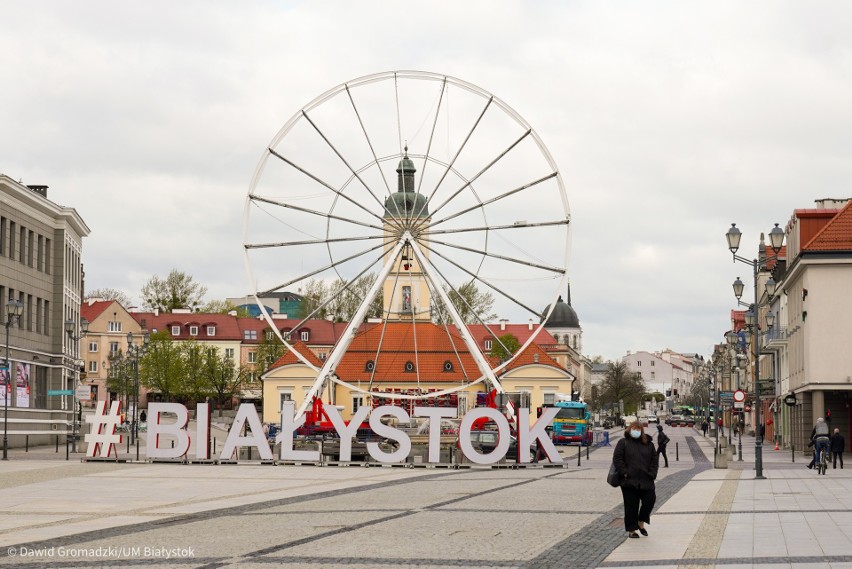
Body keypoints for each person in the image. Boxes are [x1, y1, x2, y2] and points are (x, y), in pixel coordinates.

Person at [613, 421, 659, 539]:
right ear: (629, 429)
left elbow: (654, 460)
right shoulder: (623, 443)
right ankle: (632, 530)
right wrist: (624, 472)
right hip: (629, 480)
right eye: (634, 428)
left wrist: (652, 474)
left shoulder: (648, 444)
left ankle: (641, 522)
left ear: (642, 431)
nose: (636, 431)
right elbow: (617, 459)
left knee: (650, 500)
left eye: (638, 429)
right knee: (631, 506)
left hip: (646, 479)